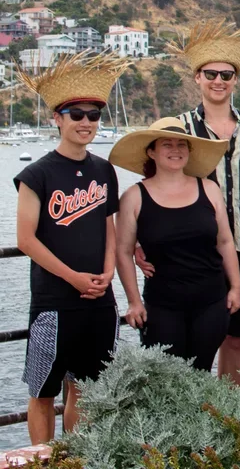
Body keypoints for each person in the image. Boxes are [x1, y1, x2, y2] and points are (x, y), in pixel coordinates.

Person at [136, 20, 240, 385]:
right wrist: (136, 240)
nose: (218, 80)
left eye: (226, 75)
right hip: (190, 251)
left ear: (235, 80)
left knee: (233, 336)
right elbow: (152, 182)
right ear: (197, 78)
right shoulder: (178, 128)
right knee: (184, 342)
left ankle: (227, 413)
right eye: (210, 73)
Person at [14, 52, 129, 443]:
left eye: (93, 115)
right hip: (53, 301)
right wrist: (73, 277)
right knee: (43, 391)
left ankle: (79, 458)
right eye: (75, 114)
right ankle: (42, 460)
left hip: (99, 300)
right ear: (57, 119)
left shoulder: (104, 170)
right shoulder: (37, 173)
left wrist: (108, 272)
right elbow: (25, 239)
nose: (85, 122)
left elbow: (108, 225)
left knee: (87, 389)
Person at [112, 118, 240, 372]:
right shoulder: (133, 197)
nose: (175, 150)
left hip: (212, 301)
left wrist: (236, 286)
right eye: (167, 144)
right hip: (162, 305)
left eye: (182, 144)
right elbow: (123, 252)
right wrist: (134, 301)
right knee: (166, 379)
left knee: (201, 373)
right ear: (151, 151)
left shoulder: (209, 188)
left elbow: (225, 241)